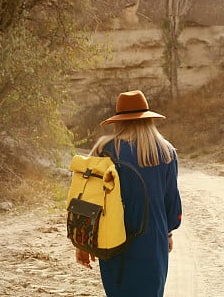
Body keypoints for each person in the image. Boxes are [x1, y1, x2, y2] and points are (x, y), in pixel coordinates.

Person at [74, 90, 182, 296]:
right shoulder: (166, 151)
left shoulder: (104, 149)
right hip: (153, 242)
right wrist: (168, 232)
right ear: (148, 118)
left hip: (112, 240)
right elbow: (171, 202)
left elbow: (89, 199)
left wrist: (83, 242)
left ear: (118, 121)